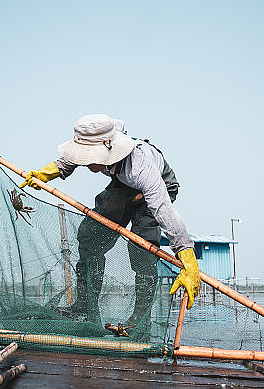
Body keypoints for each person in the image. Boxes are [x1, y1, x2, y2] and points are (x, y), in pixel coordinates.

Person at [20, 114, 201, 330]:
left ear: (108, 152)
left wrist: (187, 256)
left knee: (141, 248)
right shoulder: (98, 137)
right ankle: (83, 305)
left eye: (89, 157)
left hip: (159, 187)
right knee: (89, 235)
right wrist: (47, 173)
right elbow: (72, 157)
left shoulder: (140, 167)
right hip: (124, 187)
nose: (84, 161)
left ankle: (139, 322)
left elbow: (165, 211)